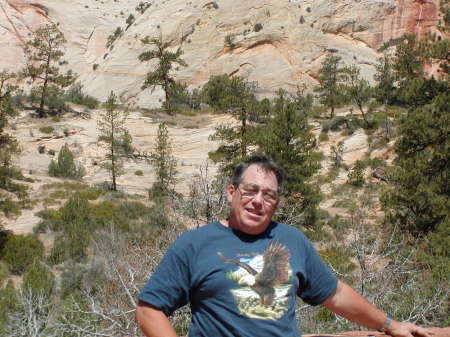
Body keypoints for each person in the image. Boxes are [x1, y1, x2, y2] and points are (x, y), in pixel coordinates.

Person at [136, 154, 432, 337]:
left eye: (268, 195)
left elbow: (335, 294)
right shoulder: (195, 243)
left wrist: (389, 325)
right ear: (231, 192)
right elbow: (149, 309)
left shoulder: (291, 240)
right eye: (250, 191)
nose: (257, 201)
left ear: (276, 203)